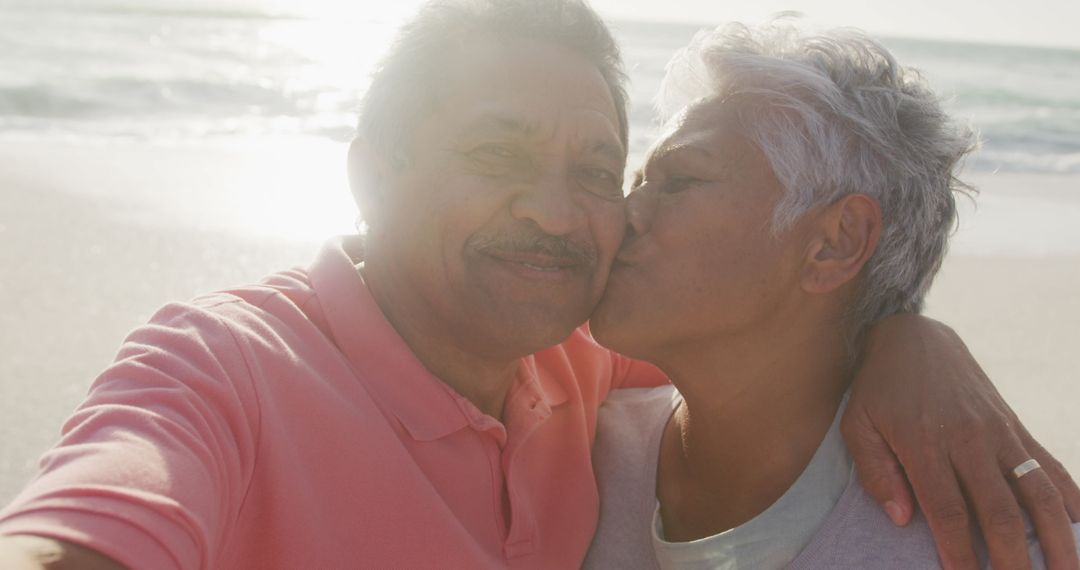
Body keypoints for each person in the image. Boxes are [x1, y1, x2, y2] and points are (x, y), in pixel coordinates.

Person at [0, 1, 1077, 568]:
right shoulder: (222, 368)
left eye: (604, 173)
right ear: (375, 169)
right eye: (498, 155)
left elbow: (797, 341)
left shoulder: (582, 372)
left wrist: (907, 338)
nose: (570, 218)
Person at [584, 21, 1080, 569]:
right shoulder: (570, 448)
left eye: (680, 181)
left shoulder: (1002, 546)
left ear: (835, 243)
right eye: (633, 184)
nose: (625, 215)